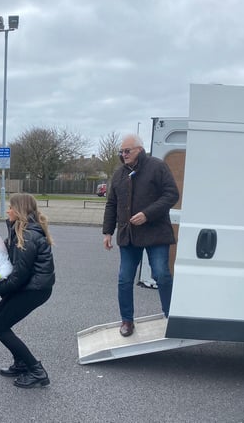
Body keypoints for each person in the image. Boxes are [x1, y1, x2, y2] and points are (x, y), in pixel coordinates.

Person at [102, 134, 179, 337]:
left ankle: (170, 315)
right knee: (124, 279)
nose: (124, 154)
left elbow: (171, 195)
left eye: (127, 151)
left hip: (155, 233)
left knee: (161, 274)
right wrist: (107, 231)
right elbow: (111, 204)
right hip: (129, 235)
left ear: (139, 149)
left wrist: (147, 214)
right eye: (122, 151)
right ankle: (127, 321)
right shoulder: (119, 174)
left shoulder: (157, 166)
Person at [0, 193, 55, 389]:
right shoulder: (18, 230)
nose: (8, 210)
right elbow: (4, 259)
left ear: (19, 210)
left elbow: (18, 277)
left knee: (0, 327)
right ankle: (20, 363)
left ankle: (37, 371)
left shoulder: (27, 236)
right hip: (29, 286)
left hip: (35, 290)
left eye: (11, 207)